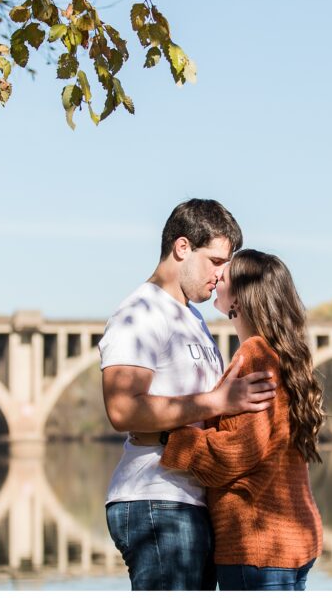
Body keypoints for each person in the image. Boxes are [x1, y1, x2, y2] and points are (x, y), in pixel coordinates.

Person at [100, 199, 279, 591]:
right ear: (182, 248)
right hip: (155, 500)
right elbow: (122, 408)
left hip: (189, 502)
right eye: (215, 261)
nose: (222, 274)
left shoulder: (192, 318)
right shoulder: (141, 312)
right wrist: (217, 402)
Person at [133, 249, 325, 590]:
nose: (218, 275)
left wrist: (169, 438)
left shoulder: (255, 355)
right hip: (294, 541)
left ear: (241, 295)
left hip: (257, 542)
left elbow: (239, 451)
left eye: (228, 272)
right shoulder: (283, 358)